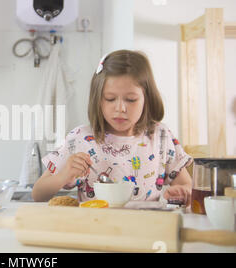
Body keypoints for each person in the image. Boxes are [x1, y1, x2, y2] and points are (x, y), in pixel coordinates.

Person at [32, 50, 193, 206]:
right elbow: (38, 193)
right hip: (95, 229)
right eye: (110, 99)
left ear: (147, 99)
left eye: (131, 99)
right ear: (98, 99)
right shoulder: (80, 138)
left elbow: (186, 184)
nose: (120, 108)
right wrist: (64, 175)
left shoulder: (160, 136)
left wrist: (183, 192)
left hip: (144, 229)